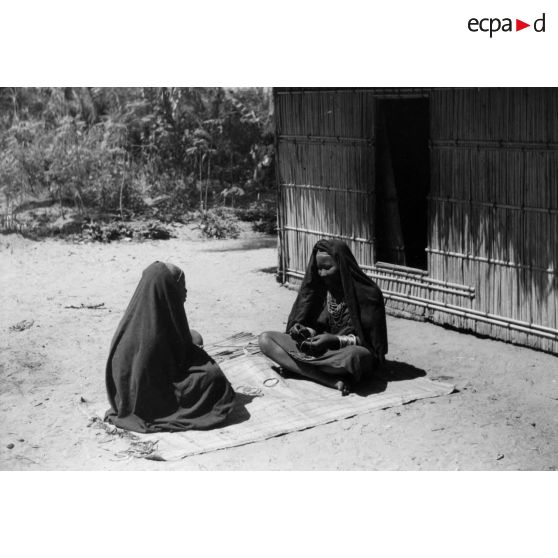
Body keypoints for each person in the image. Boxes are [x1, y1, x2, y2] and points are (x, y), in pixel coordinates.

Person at [105, 261, 235, 433]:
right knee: (213, 379)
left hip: (122, 393)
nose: (186, 291)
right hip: (147, 397)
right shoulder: (154, 326)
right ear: (169, 287)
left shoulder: (139, 313)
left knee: (195, 338)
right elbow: (170, 360)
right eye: (182, 285)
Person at [259, 239, 388, 395]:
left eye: (328, 268)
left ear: (342, 265)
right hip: (320, 353)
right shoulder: (322, 291)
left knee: (357, 358)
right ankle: (325, 378)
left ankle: (297, 367)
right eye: (319, 268)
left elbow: (372, 344)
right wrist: (306, 332)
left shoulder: (368, 294)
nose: (322, 273)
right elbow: (318, 326)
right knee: (266, 339)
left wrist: (334, 340)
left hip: (344, 354)